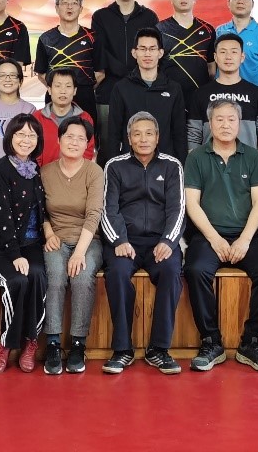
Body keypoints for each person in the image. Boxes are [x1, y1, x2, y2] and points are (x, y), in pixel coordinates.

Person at [184, 98, 258, 373]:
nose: (225, 125)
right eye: (219, 119)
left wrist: (245, 240)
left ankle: (252, 341)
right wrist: (214, 239)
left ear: (240, 123)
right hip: (209, 235)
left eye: (231, 119)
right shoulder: (196, 157)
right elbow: (192, 204)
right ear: (210, 123)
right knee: (195, 269)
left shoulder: (253, 156)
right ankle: (211, 341)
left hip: (247, 234)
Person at [100, 112, 185, 375]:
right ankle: (122, 349)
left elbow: (177, 209)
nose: (143, 139)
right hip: (126, 241)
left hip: (161, 241)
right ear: (129, 139)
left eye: (149, 133)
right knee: (117, 273)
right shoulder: (114, 166)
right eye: (137, 134)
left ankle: (159, 349)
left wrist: (168, 241)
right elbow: (108, 209)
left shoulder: (172, 166)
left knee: (171, 272)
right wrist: (119, 240)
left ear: (158, 137)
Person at [0, 115, 49, 374]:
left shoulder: (34, 168)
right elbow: (2, 217)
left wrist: (47, 231)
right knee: (17, 281)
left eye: (32, 135)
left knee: (39, 276)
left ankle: (31, 342)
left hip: (31, 242)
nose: (26, 140)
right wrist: (15, 254)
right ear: (10, 137)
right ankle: (6, 345)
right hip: (1, 245)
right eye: (20, 134)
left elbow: (41, 210)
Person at [39, 116, 103, 375]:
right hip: (56, 237)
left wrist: (79, 252)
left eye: (81, 139)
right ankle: (53, 343)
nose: (74, 142)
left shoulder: (94, 172)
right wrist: (48, 232)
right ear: (59, 140)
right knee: (55, 276)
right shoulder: (45, 172)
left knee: (82, 276)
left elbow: (94, 215)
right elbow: (40, 210)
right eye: (69, 137)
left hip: (87, 239)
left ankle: (78, 344)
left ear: (87, 144)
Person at [92, 0, 158, 140]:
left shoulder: (149, 17)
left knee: (141, 140)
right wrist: (124, 71)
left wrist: (136, 74)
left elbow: (152, 50)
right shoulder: (101, 16)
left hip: (141, 88)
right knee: (107, 142)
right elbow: (101, 51)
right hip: (108, 89)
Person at [187, 33, 258, 165]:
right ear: (215, 57)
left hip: (248, 167)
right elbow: (194, 135)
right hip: (210, 168)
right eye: (223, 52)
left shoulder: (256, 93)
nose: (228, 57)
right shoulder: (200, 94)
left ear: (242, 57)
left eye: (234, 52)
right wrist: (194, 169)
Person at [104, 27, 186, 164]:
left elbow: (179, 133)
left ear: (160, 53)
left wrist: (181, 166)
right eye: (142, 49)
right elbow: (113, 133)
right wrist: (113, 166)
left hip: (165, 163)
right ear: (134, 53)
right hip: (129, 164)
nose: (147, 53)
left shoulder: (174, 89)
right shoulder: (121, 88)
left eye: (152, 49)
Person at [34, 0, 98, 114]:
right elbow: (41, 73)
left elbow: (100, 73)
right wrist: (58, 89)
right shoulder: (46, 38)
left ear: (81, 9)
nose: (70, 7)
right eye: (64, 3)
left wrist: (81, 88)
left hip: (85, 99)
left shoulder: (93, 37)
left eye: (74, 3)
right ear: (57, 8)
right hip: (54, 101)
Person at [157, 0, 215, 101]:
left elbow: (212, 68)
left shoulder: (208, 30)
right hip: (167, 97)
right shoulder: (159, 29)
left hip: (201, 98)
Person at [0, 59, 37, 173]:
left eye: (13, 75)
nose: (7, 79)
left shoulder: (29, 109)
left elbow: (31, 144)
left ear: (20, 80)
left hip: (20, 173)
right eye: (2, 75)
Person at [33, 67, 96, 166]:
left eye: (68, 86)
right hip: (44, 173)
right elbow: (33, 150)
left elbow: (88, 150)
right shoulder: (37, 117)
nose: (63, 91)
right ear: (49, 90)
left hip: (76, 173)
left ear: (74, 91)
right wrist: (41, 172)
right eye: (58, 86)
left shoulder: (85, 118)